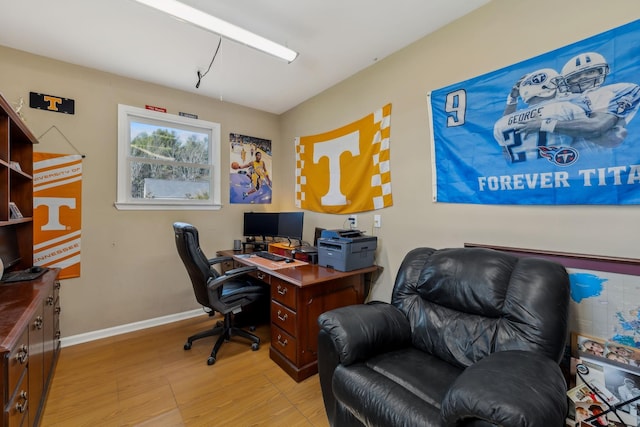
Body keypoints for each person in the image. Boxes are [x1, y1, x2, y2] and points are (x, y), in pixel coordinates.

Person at [514, 52, 640, 149]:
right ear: (567, 82)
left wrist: (545, 124)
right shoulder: (563, 101)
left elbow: (598, 128)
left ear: (602, 72)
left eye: (590, 72)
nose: (583, 78)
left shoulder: (613, 91)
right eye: (576, 76)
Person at [493, 68, 587, 163]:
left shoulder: (501, 123)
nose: (560, 87)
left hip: (524, 174)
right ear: (544, 88)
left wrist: (512, 99)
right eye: (555, 84)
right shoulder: (564, 108)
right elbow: (588, 143)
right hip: (561, 170)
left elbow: (507, 157)